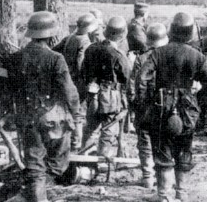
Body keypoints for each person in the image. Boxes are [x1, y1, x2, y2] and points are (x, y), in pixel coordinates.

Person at [6, 12, 81, 202]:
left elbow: (8, 91)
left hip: (26, 118)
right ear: (50, 34)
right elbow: (69, 90)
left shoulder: (15, 58)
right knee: (58, 161)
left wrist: (4, 114)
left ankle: (30, 193)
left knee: (35, 165)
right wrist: (76, 114)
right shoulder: (56, 58)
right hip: (52, 118)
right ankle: (32, 195)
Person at [141, 12, 207, 202]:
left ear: (171, 30)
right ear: (191, 33)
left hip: (162, 106)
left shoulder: (158, 52)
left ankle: (163, 195)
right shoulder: (197, 56)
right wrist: (199, 102)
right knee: (184, 149)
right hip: (188, 108)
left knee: (162, 149)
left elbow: (142, 78)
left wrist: (145, 102)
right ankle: (181, 193)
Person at [82, 16, 131, 157]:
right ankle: (102, 160)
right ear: (122, 35)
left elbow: (83, 71)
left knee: (91, 128)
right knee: (109, 128)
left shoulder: (91, 49)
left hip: (92, 94)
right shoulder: (118, 55)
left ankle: (83, 158)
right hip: (110, 96)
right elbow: (127, 77)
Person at [128, 23, 168, 191]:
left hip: (144, 106)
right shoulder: (169, 56)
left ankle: (147, 177)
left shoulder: (142, 58)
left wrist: (133, 105)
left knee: (144, 140)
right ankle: (162, 177)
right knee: (163, 141)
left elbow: (132, 84)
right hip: (165, 105)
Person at [52, 13, 98, 151]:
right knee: (78, 114)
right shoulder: (84, 41)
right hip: (77, 82)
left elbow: (54, 51)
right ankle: (76, 144)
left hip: (65, 79)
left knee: (65, 111)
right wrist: (86, 79)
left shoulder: (69, 38)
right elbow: (80, 63)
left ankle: (64, 141)